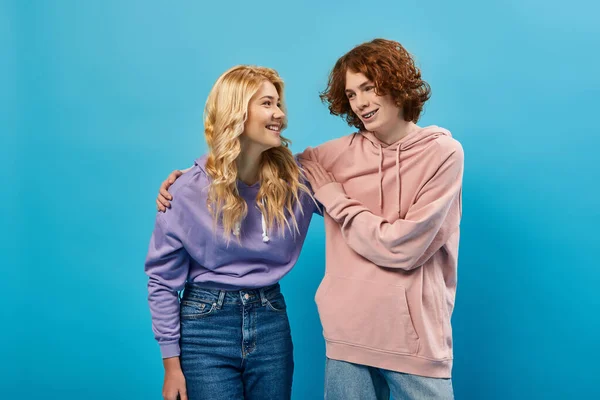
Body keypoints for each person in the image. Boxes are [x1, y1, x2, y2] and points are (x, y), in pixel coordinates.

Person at [156, 38, 463, 400]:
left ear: (396, 83)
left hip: (415, 341)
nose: (361, 102)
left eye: (369, 87)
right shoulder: (330, 157)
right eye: (351, 94)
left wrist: (335, 198)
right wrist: (195, 174)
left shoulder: (442, 153)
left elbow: (404, 247)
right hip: (348, 338)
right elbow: (253, 164)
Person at [145, 65, 318, 400]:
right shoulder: (184, 191)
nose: (279, 114)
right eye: (267, 103)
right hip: (204, 328)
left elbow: (355, 180)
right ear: (236, 111)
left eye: (279, 104)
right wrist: (171, 366)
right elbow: (162, 282)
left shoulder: (298, 181)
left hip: (271, 322)